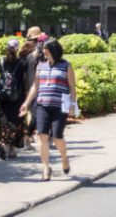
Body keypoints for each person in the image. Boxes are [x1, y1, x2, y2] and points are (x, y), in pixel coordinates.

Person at [19, 38, 77, 181]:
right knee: (42, 135)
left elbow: (72, 87)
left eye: (46, 49)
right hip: (42, 105)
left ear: (54, 50)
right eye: (43, 49)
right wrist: (26, 103)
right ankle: (46, 167)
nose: (43, 51)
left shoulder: (66, 65)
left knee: (57, 136)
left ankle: (64, 157)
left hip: (59, 107)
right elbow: (35, 87)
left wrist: (72, 104)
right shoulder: (41, 65)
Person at [0, 38, 28, 160]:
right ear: (17, 49)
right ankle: (12, 149)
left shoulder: (0, 61)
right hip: (17, 97)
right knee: (16, 122)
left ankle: (3, 143)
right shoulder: (22, 62)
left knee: (4, 121)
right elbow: (25, 80)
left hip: (3, 96)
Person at [19, 27, 44, 150]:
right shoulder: (36, 53)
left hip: (27, 85)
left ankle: (31, 136)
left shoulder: (23, 50)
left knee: (31, 112)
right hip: (35, 85)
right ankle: (29, 137)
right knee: (35, 113)